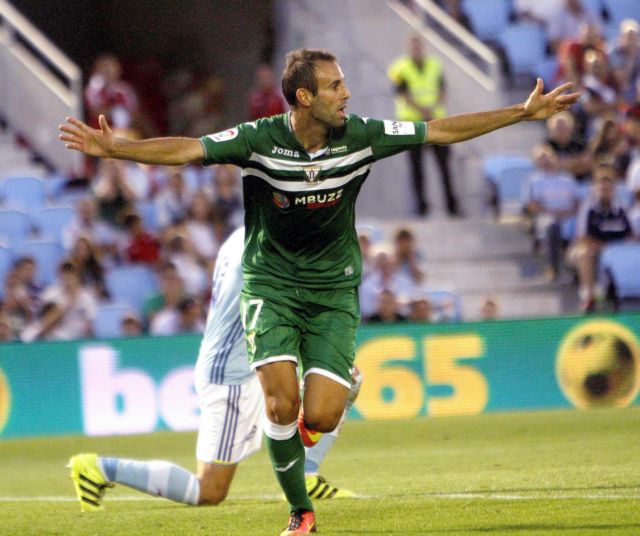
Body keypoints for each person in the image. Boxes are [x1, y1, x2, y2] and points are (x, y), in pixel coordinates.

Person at [60, 47, 579, 535]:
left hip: (332, 289)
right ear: (305, 97)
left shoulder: (364, 135)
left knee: (324, 414)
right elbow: (188, 150)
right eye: (335, 86)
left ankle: (294, 448)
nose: (346, 93)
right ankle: (300, 513)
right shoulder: (258, 139)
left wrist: (521, 112)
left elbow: (439, 131)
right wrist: (116, 149)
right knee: (280, 406)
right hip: (272, 287)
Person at [67, 227, 360, 516]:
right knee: (209, 489)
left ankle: (305, 474)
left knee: (349, 379)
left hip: (252, 358)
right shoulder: (264, 248)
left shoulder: (242, 235)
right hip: (233, 376)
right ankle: (98, 469)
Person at [388, 35, 460, 216]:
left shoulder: (435, 65)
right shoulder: (399, 68)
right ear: (408, 48)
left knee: (445, 166)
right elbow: (402, 94)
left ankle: (452, 206)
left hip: (436, 121)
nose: (416, 49)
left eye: (419, 46)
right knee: (417, 168)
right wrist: (424, 110)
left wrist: (432, 109)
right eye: (413, 46)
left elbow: (443, 90)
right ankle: (421, 207)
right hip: (412, 124)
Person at [567, 162, 633, 312]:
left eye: (608, 188)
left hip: (617, 249)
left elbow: (631, 234)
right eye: (601, 187)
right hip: (592, 248)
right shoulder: (588, 208)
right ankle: (588, 297)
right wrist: (605, 248)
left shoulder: (622, 208)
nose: (605, 191)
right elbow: (582, 237)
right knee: (584, 253)